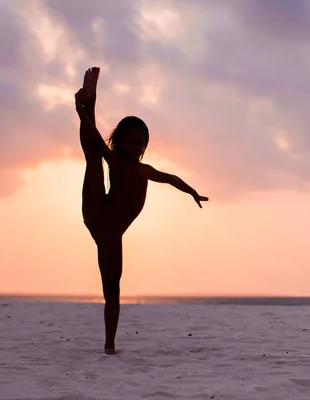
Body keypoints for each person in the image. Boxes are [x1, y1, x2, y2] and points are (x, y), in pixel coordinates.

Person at [75, 66, 208, 355]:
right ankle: (90, 102)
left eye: (141, 142)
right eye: (131, 141)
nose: (136, 146)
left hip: (112, 234)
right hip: (97, 212)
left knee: (113, 289)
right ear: (120, 142)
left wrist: (192, 192)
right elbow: (97, 141)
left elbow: (171, 178)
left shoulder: (144, 170)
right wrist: (80, 111)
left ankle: (110, 345)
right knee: (94, 157)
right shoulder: (118, 163)